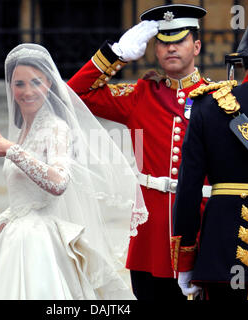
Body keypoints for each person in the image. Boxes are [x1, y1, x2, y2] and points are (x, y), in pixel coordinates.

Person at [0, 43, 148, 300]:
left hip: (41, 244)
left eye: (36, 82)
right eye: (19, 84)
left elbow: (59, 182)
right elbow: (27, 203)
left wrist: (12, 151)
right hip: (16, 239)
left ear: (49, 84)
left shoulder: (55, 128)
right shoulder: (25, 131)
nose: (27, 91)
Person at [67, 4, 211, 300]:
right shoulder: (142, 94)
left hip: (200, 230)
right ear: (155, 50)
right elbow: (76, 94)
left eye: (179, 40)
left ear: (196, 46)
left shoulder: (217, 98)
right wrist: (115, 55)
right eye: (163, 42)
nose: (171, 48)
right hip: (151, 236)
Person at [171, 13, 248, 300]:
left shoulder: (207, 105)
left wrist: (186, 262)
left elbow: (188, 191)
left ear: (244, 62)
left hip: (221, 255)